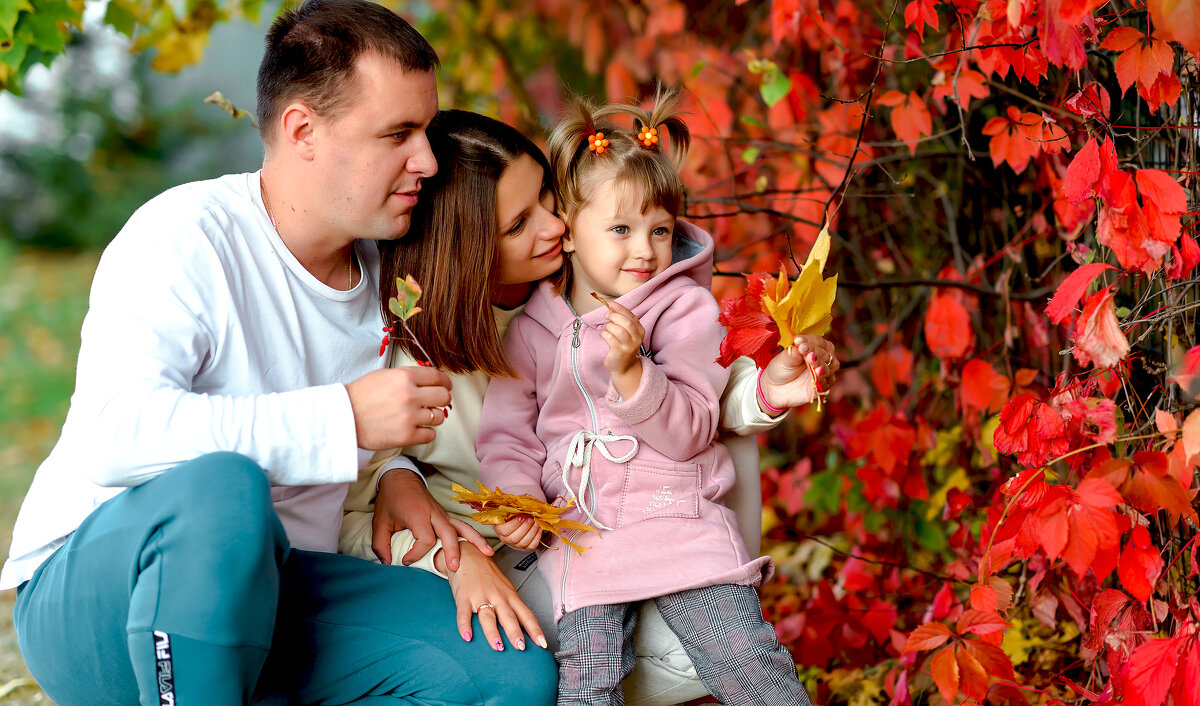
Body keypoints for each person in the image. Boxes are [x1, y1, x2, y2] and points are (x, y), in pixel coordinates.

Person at [0, 1, 557, 704]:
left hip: (285, 588)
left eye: (425, 128)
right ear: (303, 131)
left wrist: (393, 473)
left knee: (506, 668)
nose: (427, 159)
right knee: (223, 488)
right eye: (399, 134)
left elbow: (387, 410)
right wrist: (342, 422)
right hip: (106, 601)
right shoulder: (184, 238)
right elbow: (117, 435)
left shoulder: (394, 270)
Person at [338, 108, 835, 704]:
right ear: (468, 252)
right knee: (586, 671)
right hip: (527, 548)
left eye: (550, 200)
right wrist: (447, 516)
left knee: (733, 656)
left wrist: (763, 391)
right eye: (521, 223)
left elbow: (700, 389)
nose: (554, 226)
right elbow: (489, 445)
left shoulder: (630, 293)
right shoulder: (423, 343)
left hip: (659, 512)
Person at [474, 90, 815, 705]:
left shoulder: (683, 310)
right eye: (622, 229)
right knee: (587, 680)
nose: (645, 250)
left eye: (660, 230)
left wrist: (634, 375)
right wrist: (520, 501)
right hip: (586, 532)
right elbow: (506, 437)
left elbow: (692, 429)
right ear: (569, 235)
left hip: (677, 520)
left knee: (746, 663)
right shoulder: (531, 330)